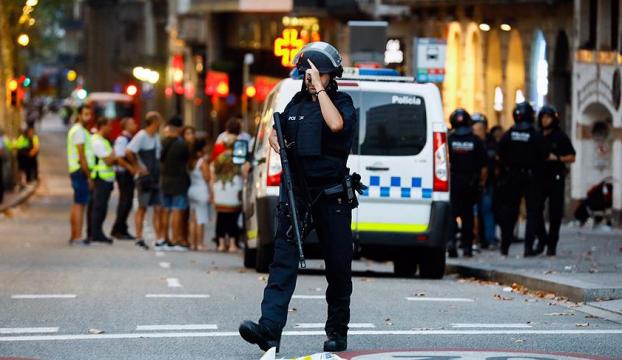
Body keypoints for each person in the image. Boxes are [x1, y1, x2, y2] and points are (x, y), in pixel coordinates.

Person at [239, 41, 357, 353]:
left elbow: (335, 124)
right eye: (305, 71)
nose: (308, 77)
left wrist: (320, 90)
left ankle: (336, 331)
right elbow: (277, 134)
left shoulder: (341, 103)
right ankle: (269, 330)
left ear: (331, 75)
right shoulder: (293, 104)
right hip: (297, 194)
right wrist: (274, 138)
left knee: (338, 267)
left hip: (331, 197)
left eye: (315, 72)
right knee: (282, 263)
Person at [497, 102, 547, 256]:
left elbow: (500, 153)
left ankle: (504, 247)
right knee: (532, 213)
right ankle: (528, 248)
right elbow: (544, 154)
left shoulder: (509, 134)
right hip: (531, 176)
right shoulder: (535, 134)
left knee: (510, 212)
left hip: (512, 176)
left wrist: (509, 165)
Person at [534, 105, 576, 256]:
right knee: (536, 210)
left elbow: (572, 157)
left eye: (548, 117)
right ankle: (542, 238)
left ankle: (552, 245)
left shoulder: (560, 136)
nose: (545, 120)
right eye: (543, 117)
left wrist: (556, 158)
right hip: (539, 178)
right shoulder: (537, 135)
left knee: (555, 212)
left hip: (555, 177)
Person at [446, 109, 487, 258]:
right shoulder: (475, 140)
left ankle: (451, 241)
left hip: (454, 181)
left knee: (452, 214)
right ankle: (467, 247)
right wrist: (481, 183)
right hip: (470, 182)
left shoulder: (449, 140)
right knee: (468, 215)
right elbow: (483, 166)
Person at [126, 111, 165, 249]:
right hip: (145, 179)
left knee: (158, 207)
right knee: (142, 207)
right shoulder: (142, 135)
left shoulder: (156, 137)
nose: (160, 123)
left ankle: (159, 238)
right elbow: (129, 151)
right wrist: (138, 167)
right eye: (159, 121)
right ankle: (138, 236)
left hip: (155, 177)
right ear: (154, 122)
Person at [159, 115, 191, 251]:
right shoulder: (181, 144)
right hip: (179, 181)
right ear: (179, 128)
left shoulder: (162, 142)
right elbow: (187, 161)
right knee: (177, 210)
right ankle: (176, 239)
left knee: (166, 210)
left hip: (165, 180)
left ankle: (164, 238)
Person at [67, 105, 95, 246]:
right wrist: (89, 176)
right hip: (80, 170)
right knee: (80, 204)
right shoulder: (79, 131)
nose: (88, 117)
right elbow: (82, 155)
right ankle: (77, 236)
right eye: (85, 114)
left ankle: (74, 235)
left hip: (76, 169)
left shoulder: (79, 130)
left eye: (89, 114)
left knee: (78, 202)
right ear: (79, 115)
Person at [210, 134, 243, 252]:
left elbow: (213, 175)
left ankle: (221, 243)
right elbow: (243, 173)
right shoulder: (238, 158)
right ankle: (233, 244)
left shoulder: (219, 158)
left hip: (221, 189)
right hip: (234, 188)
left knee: (221, 217)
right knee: (233, 217)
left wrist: (212, 192)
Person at [472, 113, 498, 249]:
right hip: (474, 183)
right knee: (475, 212)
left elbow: (487, 167)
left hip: (486, 184)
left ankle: (489, 239)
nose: (476, 132)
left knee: (486, 211)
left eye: (479, 129)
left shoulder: (489, 143)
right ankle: (477, 239)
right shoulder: (474, 142)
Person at [90, 118, 118, 244]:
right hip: (101, 178)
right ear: (102, 126)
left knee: (102, 207)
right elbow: (108, 160)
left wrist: (112, 155)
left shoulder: (102, 141)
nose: (111, 128)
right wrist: (113, 154)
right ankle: (96, 233)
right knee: (99, 207)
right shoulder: (97, 142)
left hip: (106, 178)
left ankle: (97, 232)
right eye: (109, 126)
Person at [111, 117, 139, 240]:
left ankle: (122, 227)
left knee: (127, 202)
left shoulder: (130, 138)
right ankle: (118, 229)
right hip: (123, 174)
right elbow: (119, 158)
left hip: (128, 174)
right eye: (132, 123)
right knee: (125, 201)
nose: (135, 125)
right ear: (126, 126)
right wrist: (130, 168)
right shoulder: (122, 139)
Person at [188, 138, 213, 251]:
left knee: (193, 219)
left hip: (192, 189)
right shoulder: (202, 162)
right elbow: (207, 177)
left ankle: (192, 243)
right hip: (201, 190)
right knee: (201, 219)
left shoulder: (191, 161)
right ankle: (200, 244)